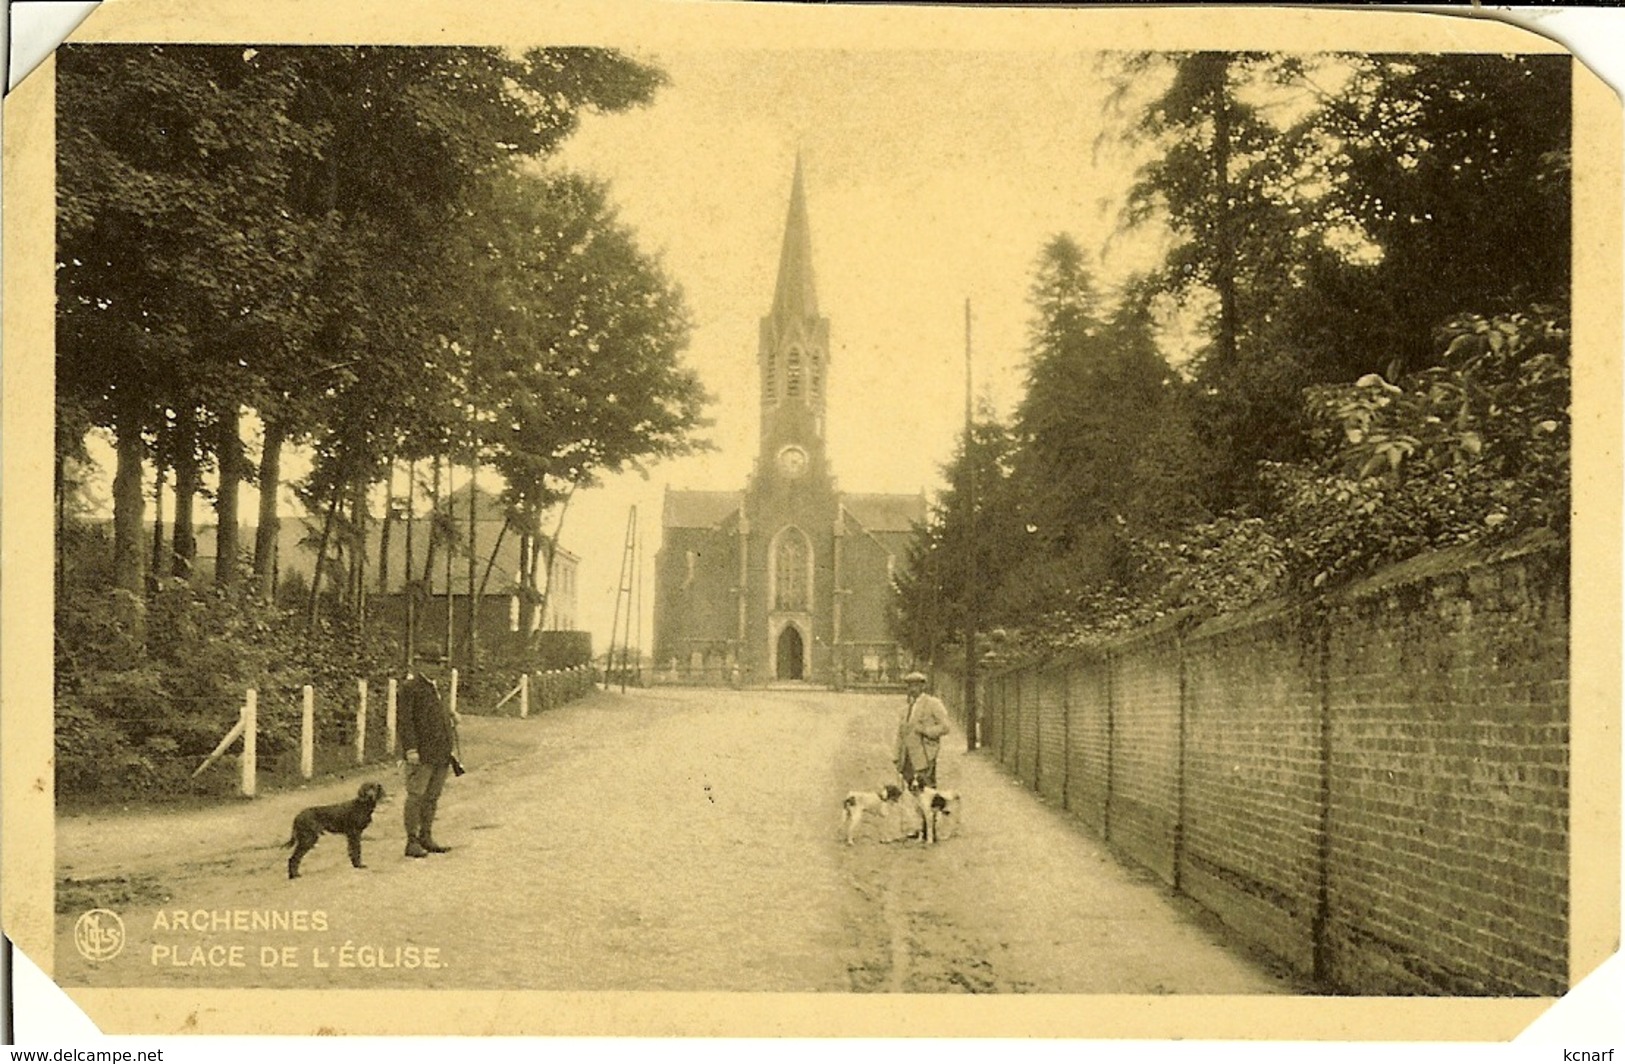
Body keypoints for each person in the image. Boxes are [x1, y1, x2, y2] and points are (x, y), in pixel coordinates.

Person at [398, 655, 460, 858]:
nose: (436, 667)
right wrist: (410, 749)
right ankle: (412, 841)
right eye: (431, 663)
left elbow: (434, 713)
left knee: (432, 797)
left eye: (439, 664)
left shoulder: (435, 687)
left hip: (441, 751)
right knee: (416, 795)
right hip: (421, 752)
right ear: (420, 664)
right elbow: (405, 721)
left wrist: (450, 714)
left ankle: (426, 836)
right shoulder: (410, 687)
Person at [894, 670, 951, 789]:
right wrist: (897, 755)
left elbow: (945, 727)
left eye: (916, 685)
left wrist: (925, 730)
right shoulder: (906, 708)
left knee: (926, 792)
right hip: (907, 757)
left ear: (923, 686)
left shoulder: (933, 703)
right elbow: (901, 733)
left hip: (925, 755)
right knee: (908, 791)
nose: (912, 688)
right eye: (909, 685)